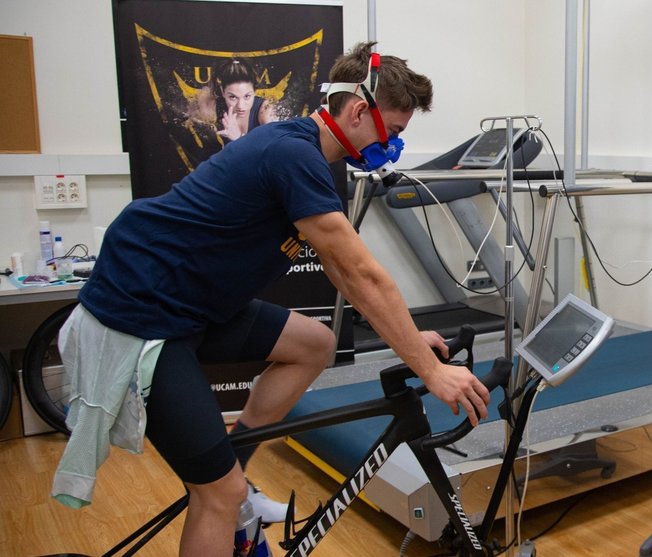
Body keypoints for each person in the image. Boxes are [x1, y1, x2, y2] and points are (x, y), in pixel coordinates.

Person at [53, 42, 490, 557]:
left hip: (191, 306)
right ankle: (229, 493)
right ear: (356, 112)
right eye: (392, 132)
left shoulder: (304, 151)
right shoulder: (293, 153)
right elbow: (360, 274)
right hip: (143, 318)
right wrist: (430, 370)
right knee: (218, 498)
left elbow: (346, 270)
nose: (392, 146)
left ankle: (236, 468)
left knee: (313, 343)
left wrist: (410, 337)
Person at [213, 57, 277, 142]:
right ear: (223, 92)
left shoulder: (265, 112)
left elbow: (275, 152)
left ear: (254, 91)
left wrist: (237, 138)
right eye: (233, 97)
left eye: (247, 96)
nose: (240, 106)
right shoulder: (212, 107)